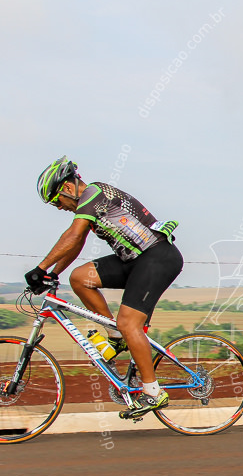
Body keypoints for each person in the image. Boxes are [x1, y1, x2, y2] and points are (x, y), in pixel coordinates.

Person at [28, 156, 183, 418]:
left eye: (56, 201)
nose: (57, 207)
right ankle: (116, 336)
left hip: (156, 257)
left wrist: (40, 268)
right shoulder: (88, 206)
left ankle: (154, 392)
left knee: (129, 322)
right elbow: (76, 243)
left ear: (66, 188)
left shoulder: (93, 193)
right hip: (133, 259)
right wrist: (53, 274)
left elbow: (73, 235)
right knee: (79, 278)